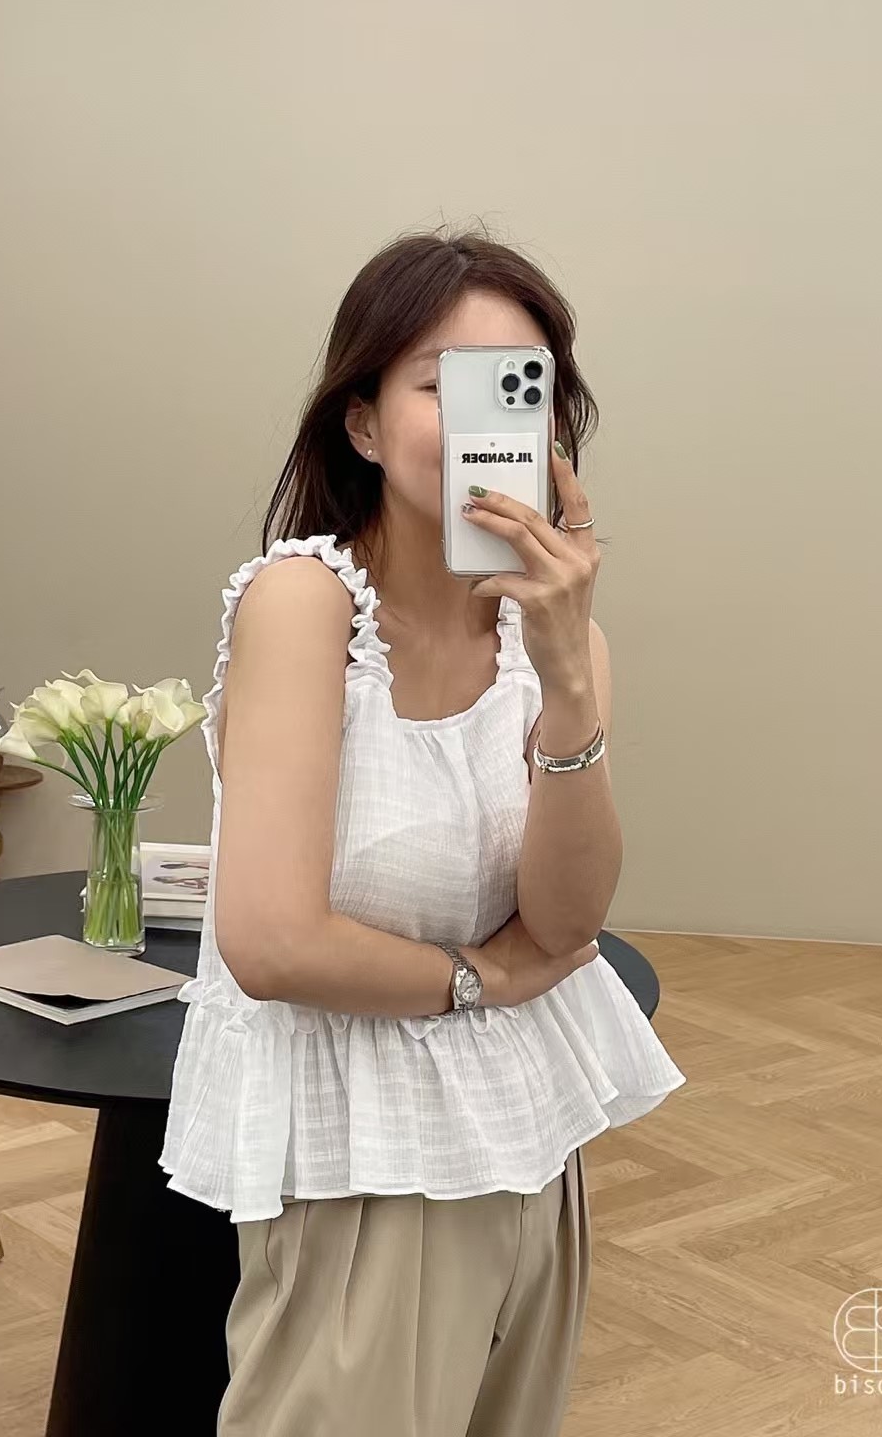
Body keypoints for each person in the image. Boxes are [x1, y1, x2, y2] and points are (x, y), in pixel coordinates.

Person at [160, 228, 686, 1437]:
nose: (484, 420)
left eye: (517, 387)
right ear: (362, 424)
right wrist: (481, 978)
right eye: (442, 385)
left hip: (531, 1143)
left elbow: (569, 918)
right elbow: (273, 944)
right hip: (360, 1158)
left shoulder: (560, 645)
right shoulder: (304, 605)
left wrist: (566, 669)